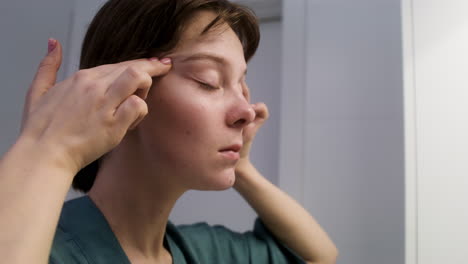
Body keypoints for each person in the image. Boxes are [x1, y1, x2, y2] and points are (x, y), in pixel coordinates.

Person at [0, 0, 338, 263]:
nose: (247, 112)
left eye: (242, 85)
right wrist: (46, 152)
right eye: (209, 80)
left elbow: (316, 256)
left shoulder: (200, 252)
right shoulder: (51, 249)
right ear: (125, 92)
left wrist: (243, 167)